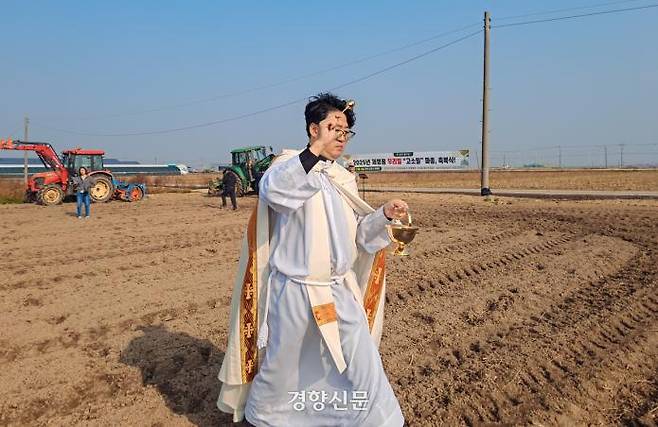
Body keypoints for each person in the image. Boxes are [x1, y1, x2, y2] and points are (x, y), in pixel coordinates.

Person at [217, 93, 408, 426]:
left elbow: (361, 237)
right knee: (282, 371)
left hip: (338, 292)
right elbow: (276, 193)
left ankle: (378, 421)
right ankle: (265, 419)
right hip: (294, 292)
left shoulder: (341, 178)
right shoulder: (287, 167)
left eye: (345, 130)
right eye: (333, 128)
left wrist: (384, 216)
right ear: (312, 129)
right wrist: (315, 153)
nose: (340, 136)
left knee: (362, 364)